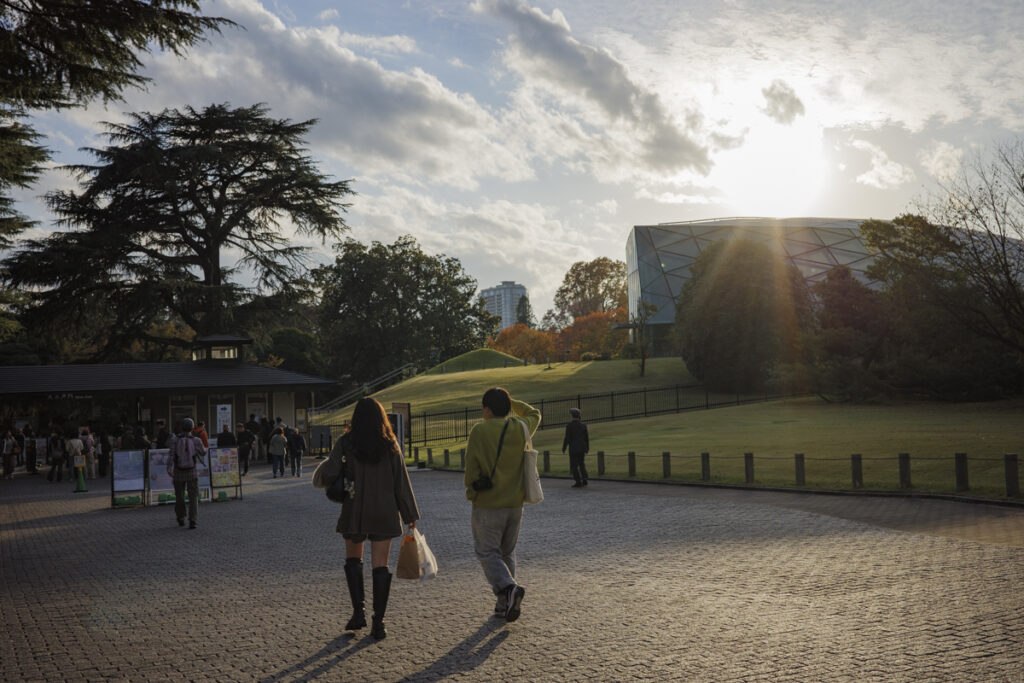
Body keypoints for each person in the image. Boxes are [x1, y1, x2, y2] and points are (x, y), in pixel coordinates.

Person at [312, 397, 420, 640]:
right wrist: (410, 514)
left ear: (355, 418)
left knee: (354, 561)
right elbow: (400, 481)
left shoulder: (346, 442)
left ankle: (358, 612)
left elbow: (329, 472)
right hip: (384, 510)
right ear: (381, 418)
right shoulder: (390, 443)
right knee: (380, 566)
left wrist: (324, 471)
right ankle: (378, 622)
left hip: (355, 508)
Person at [464, 387, 541, 622]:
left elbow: (472, 467)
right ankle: (503, 604)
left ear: (486, 409)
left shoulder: (479, 430)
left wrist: (471, 492)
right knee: (506, 552)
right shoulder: (520, 427)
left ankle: (509, 588)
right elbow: (534, 413)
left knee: (487, 552)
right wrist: (510, 403)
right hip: (516, 503)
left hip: (488, 503)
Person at [166, 418, 207, 530]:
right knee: (193, 496)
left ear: (181, 427)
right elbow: (203, 451)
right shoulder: (196, 440)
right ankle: (193, 520)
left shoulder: (175, 439)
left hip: (178, 472)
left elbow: (171, 455)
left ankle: (181, 517)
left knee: (179, 496)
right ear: (192, 428)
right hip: (192, 472)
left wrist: (168, 468)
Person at [562, 407, 590, 488]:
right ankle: (584, 478)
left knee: (574, 465)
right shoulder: (583, 425)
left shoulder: (569, 426)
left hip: (573, 448)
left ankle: (578, 481)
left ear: (572, 416)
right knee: (581, 463)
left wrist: (564, 447)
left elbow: (567, 438)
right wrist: (587, 447)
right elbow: (586, 438)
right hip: (582, 447)